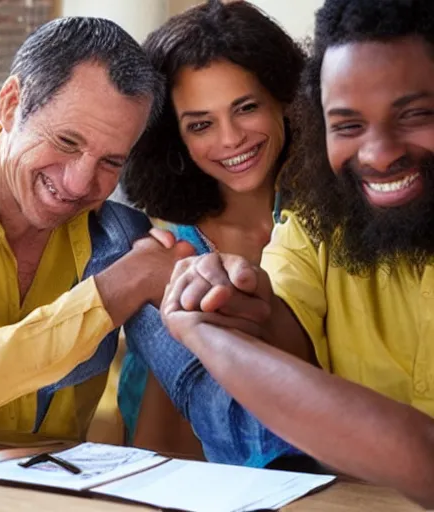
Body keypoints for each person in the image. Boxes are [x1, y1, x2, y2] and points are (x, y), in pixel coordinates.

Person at [127, 0, 434, 507]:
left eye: (415, 114)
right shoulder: (309, 228)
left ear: (287, 105)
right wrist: (215, 310)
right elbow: (274, 324)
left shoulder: (299, 212)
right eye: (349, 124)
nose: (378, 152)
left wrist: (200, 330)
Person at [0, 17, 193, 441]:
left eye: (110, 162)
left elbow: (196, 387)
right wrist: (117, 288)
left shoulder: (123, 239)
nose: (79, 185)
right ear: (11, 105)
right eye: (67, 142)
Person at [118, 0, 304, 459]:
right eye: (200, 124)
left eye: (245, 107)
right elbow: (164, 451)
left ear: (285, 97)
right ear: (174, 136)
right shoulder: (176, 254)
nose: (230, 139)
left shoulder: (336, 221)